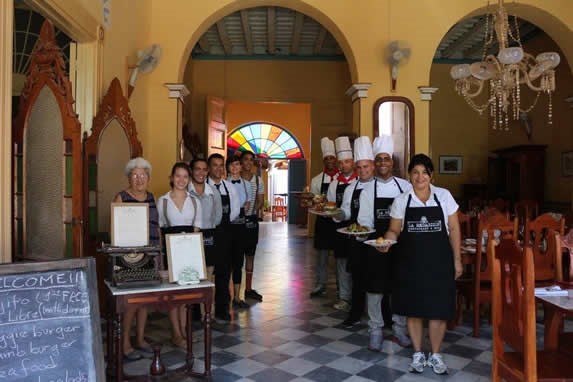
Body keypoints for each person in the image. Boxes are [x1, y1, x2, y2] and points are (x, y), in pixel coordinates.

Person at [382, 153, 462, 375]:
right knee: (413, 310)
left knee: (438, 311)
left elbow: (454, 230)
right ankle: (418, 353)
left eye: (424, 172)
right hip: (411, 263)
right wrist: (387, 241)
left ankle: (436, 354)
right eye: (415, 172)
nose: (420, 177)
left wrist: (457, 260)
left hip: (439, 262)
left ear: (431, 175)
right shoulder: (402, 200)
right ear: (409, 176)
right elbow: (394, 229)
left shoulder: (444, 197)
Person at [357, 136, 411, 351]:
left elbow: (409, 218)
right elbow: (364, 221)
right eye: (378, 159)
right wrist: (371, 239)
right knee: (375, 289)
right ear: (374, 162)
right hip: (375, 246)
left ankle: (399, 329)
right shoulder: (368, 190)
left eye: (386, 159)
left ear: (392, 162)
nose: (382, 163)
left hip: (401, 246)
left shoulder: (405, 186)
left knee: (399, 288)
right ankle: (376, 330)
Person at [113, 157, 158, 361]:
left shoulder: (151, 197)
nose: (139, 179)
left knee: (145, 301)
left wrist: (160, 255)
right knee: (131, 301)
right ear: (129, 177)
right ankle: (125, 344)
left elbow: (156, 226)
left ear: (148, 178)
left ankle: (140, 339)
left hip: (150, 255)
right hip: (127, 258)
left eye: (143, 175)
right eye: (135, 175)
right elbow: (116, 230)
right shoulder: (121, 197)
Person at [157, 162, 200, 349]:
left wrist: (196, 257)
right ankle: (176, 333)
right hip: (170, 251)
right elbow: (160, 230)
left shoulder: (194, 201)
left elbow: (197, 229)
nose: (181, 180)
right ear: (171, 178)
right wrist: (161, 260)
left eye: (185, 176)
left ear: (189, 179)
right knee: (174, 295)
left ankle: (184, 330)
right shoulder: (163, 201)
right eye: (178, 176)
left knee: (185, 294)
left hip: (189, 251)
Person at [335, 136, 375, 328]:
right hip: (357, 238)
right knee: (357, 278)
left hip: (379, 239)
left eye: (366, 167)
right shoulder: (352, 188)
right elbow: (346, 212)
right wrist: (336, 213)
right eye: (359, 167)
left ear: (373, 166)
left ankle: (383, 317)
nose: (363, 171)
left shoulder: (382, 186)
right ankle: (355, 314)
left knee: (378, 278)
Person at [188, 157, 224, 319]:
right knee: (192, 275)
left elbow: (218, 215)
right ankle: (192, 312)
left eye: (204, 169)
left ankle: (208, 313)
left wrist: (207, 227)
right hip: (190, 237)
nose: (201, 173)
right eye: (197, 169)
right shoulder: (186, 190)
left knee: (209, 277)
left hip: (209, 235)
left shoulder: (212, 191)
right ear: (192, 171)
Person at [205, 153, 236, 321]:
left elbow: (235, 209)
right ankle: (201, 311)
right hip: (208, 234)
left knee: (224, 273)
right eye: (214, 165)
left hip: (225, 232)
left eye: (220, 165)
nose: (218, 168)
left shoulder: (229, 187)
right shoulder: (204, 187)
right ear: (209, 168)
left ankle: (222, 309)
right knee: (206, 273)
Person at [328, 136, 356, 310]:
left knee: (357, 263)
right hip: (339, 227)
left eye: (347, 161)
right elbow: (330, 206)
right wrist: (334, 214)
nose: (344, 165)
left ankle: (358, 296)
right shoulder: (334, 184)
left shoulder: (360, 181)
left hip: (359, 227)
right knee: (341, 263)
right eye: (342, 162)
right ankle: (344, 297)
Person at [309, 137, 338, 297]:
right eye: (327, 159)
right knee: (321, 256)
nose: (330, 161)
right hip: (323, 221)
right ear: (323, 161)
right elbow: (314, 201)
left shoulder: (343, 180)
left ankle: (343, 288)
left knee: (341, 258)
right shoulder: (316, 180)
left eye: (332, 158)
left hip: (340, 221)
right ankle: (320, 284)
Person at [227, 155, 252, 309]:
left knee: (239, 262)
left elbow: (248, 205)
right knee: (226, 262)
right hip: (228, 226)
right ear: (228, 168)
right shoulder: (223, 184)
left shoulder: (247, 184)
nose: (235, 167)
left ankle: (237, 296)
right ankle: (225, 295)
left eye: (237, 164)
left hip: (241, 225)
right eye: (232, 165)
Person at [239, 151, 264, 302]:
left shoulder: (258, 180)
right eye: (245, 160)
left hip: (251, 221)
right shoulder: (233, 179)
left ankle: (248, 288)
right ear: (241, 162)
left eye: (251, 160)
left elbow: (260, 200)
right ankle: (234, 290)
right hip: (236, 221)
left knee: (250, 255)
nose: (248, 163)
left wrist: (253, 210)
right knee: (235, 257)